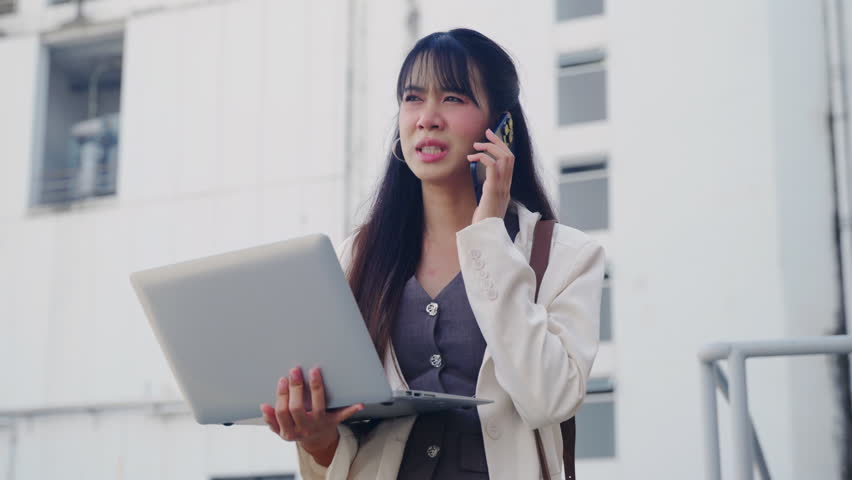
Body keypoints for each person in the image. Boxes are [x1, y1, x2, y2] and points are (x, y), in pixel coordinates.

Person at [259, 28, 605, 479]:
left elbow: (549, 399)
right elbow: (344, 439)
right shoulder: (358, 256)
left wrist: (487, 235)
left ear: (502, 126)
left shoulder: (566, 256)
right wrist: (316, 437)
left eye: (453, 98)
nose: (427, 118)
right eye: (413, 98)